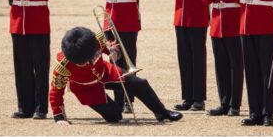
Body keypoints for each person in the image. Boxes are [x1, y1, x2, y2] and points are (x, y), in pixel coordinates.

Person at [49, 27, 183, 125]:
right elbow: (56, 91)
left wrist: (113, 51)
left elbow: (107, 47)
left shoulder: (92, 41)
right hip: (87, 89)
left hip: (106, 73)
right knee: (115, 115)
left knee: (139, 83)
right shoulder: (63, 65)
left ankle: (162, 112)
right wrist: (59, 116)